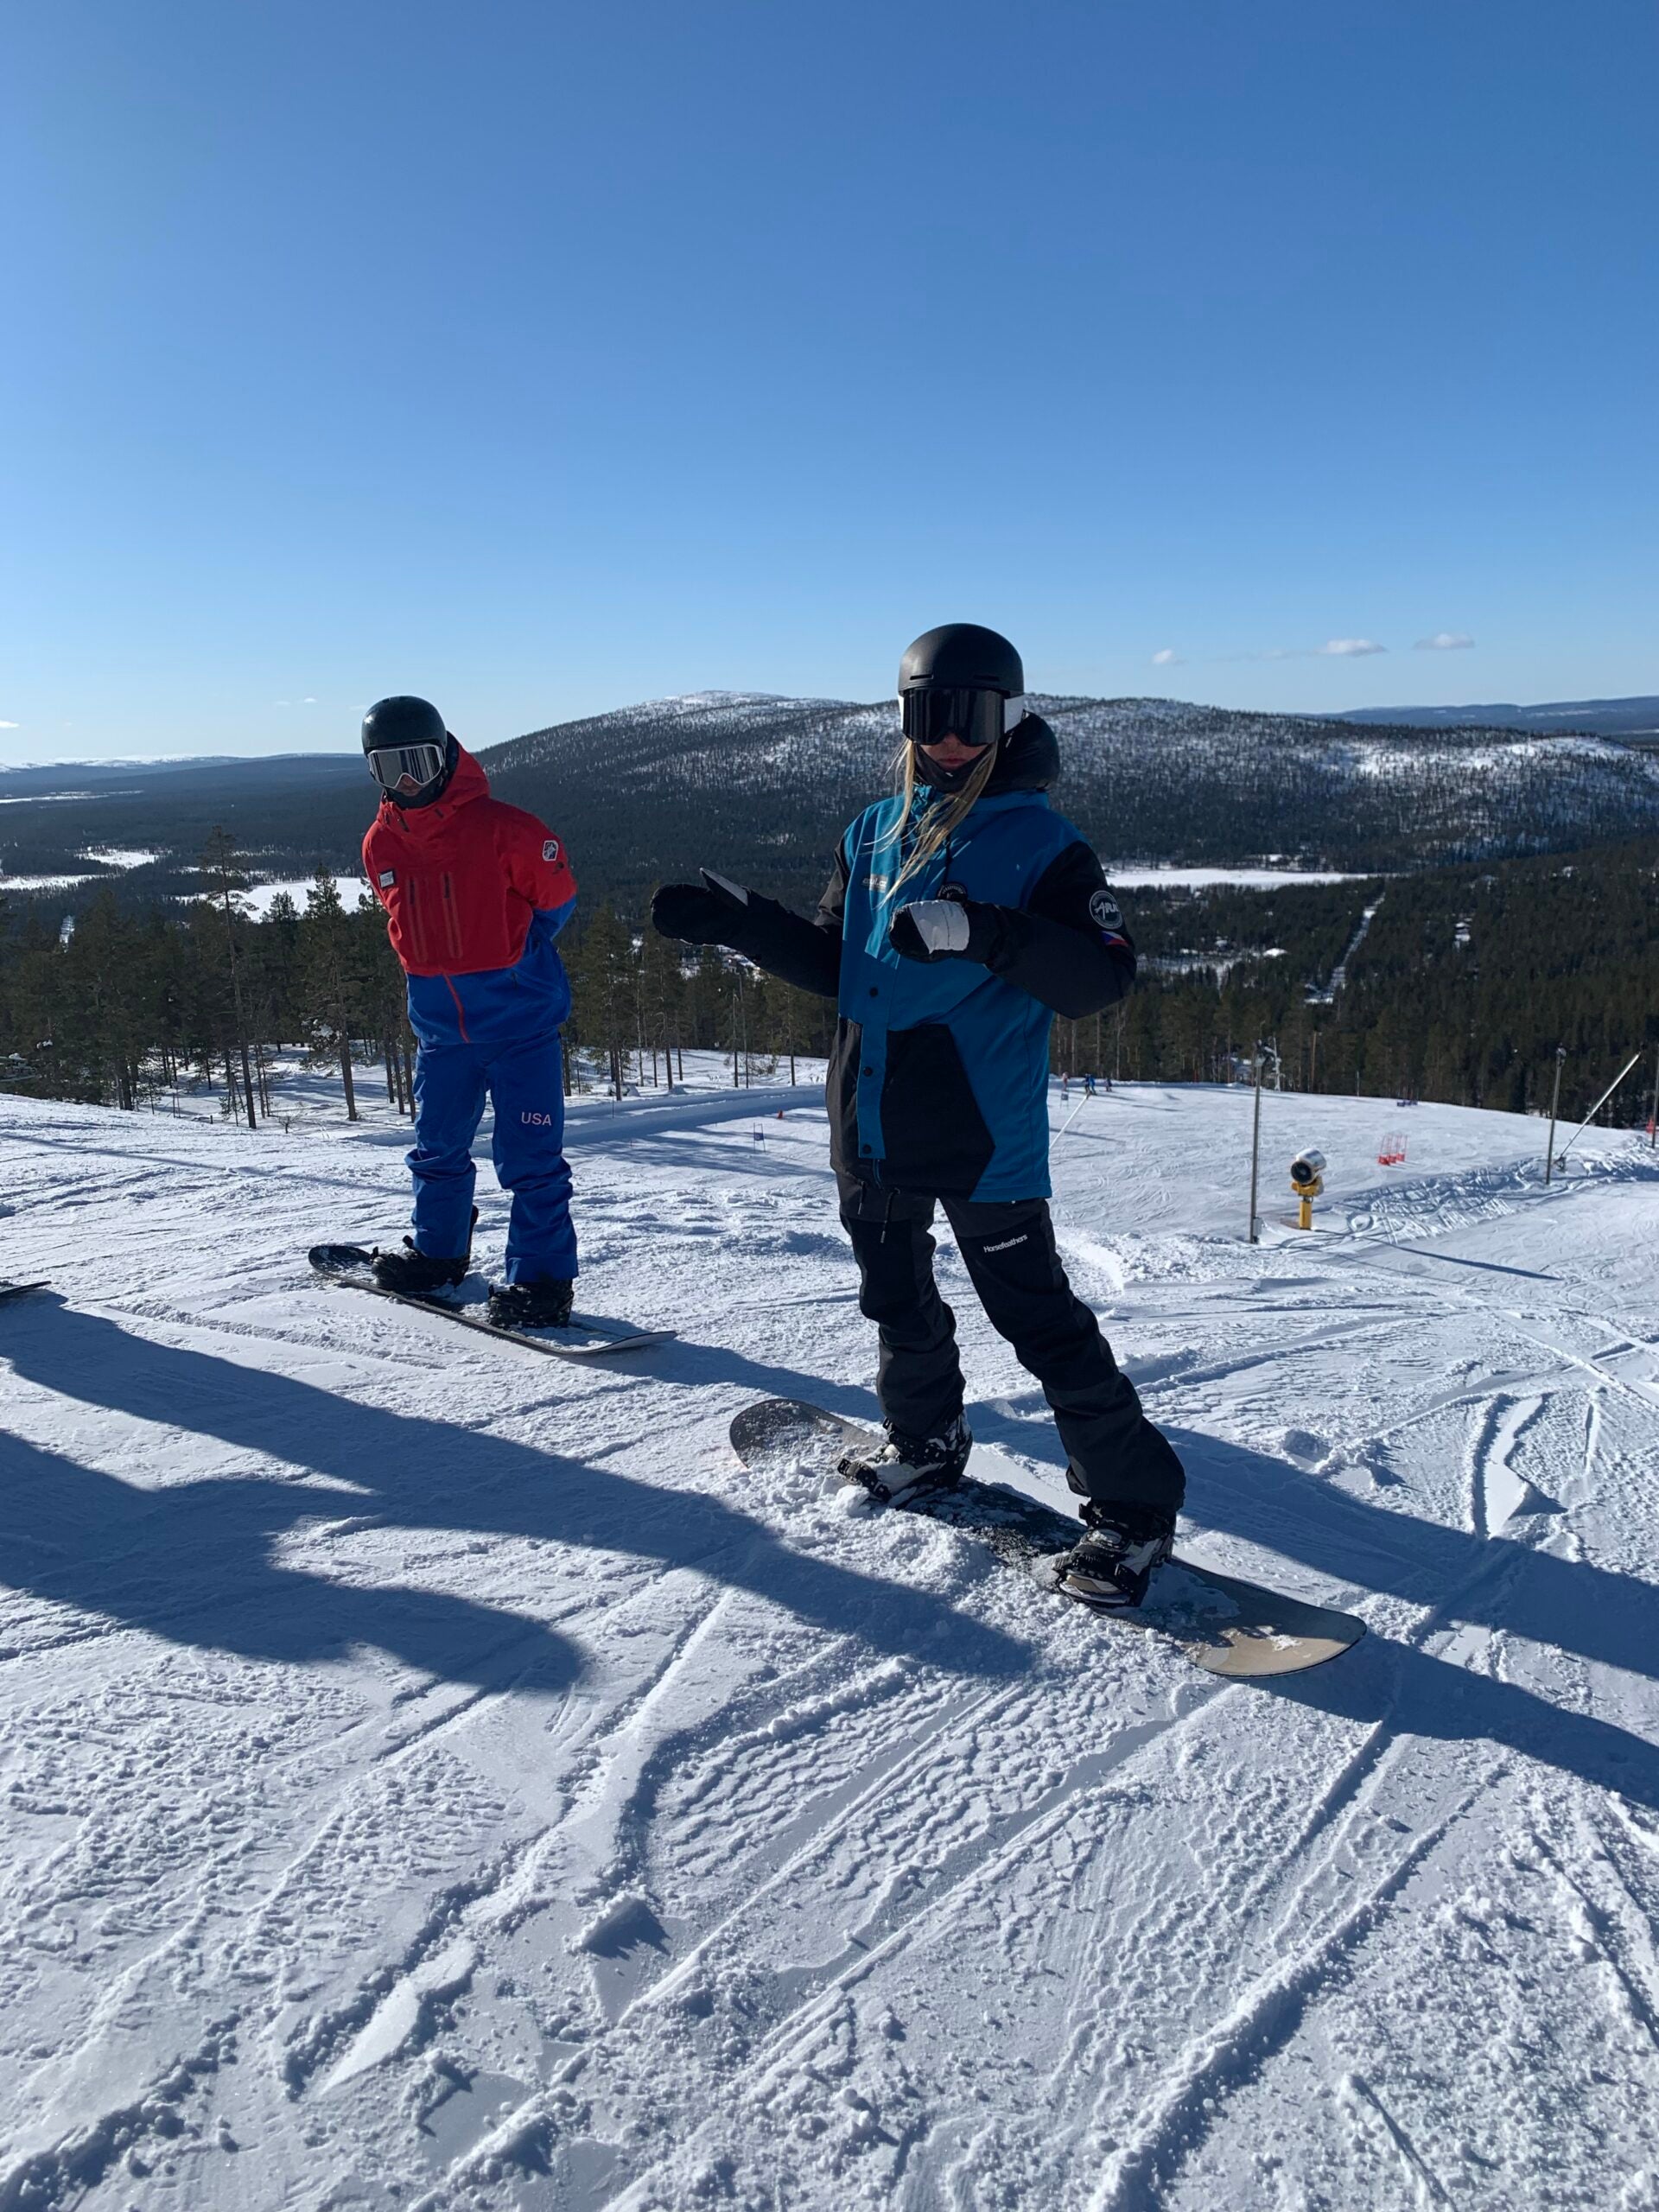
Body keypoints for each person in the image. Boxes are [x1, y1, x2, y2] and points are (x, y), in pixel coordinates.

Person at [651, 625, 1185, 1608]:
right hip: (872, 1114)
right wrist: (746, 924)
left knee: (1038, 1320)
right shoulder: (872, 830)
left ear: (1008, 718)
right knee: (894, 1296)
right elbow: (837, 964)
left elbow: (1101, 980)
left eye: (969, 717)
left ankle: (1134, 1508)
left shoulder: (1044, 845)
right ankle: (926, 1438)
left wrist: (987, 932)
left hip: (979, 1128)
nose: (946, 739)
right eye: (927, 714)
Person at [359, 695, 581, 1328]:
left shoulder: (506, 829)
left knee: (530, 1160)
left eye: (419, 762)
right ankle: (439, 1254)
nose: (408, 781)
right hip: (441, 1035)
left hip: (520, 1029)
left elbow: (556, 903)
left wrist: (509, 962)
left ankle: (541, 1282)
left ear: (446, 755)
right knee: (436, 1150)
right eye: (391, 767)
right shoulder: (380, 844)